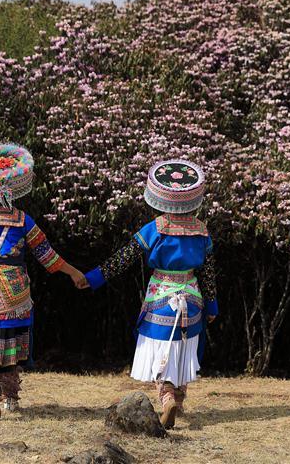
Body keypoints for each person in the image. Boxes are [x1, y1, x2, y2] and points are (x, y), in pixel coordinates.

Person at [0, 143, 87, 420]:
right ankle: (11, 398)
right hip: (15, 290)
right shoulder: (23, 220)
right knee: (12, 343)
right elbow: (47, 256)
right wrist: (74, 272)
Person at [84, 159, 218, 429]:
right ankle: (177, 400)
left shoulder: (155, 228)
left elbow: (123, 258)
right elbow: (208, 274)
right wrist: (212, 306)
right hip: (192, 300)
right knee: (183, 351)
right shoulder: (202, 231)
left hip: (161, 300)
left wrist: (93, 278)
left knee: (161, 352)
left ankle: (167, 398)